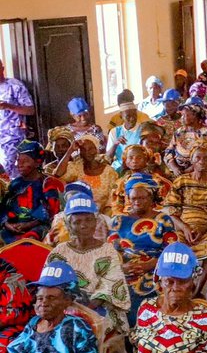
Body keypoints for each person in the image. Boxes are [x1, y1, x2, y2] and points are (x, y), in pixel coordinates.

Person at [48, 192, 131, 338]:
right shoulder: (59, 251)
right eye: (77, 222)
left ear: (96, 222)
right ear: (68, 225)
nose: (84, 226)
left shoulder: (107, 251)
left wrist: (83, 310)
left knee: (79, 330)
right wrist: (66, 307)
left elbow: (111, 285)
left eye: (88, 220)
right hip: (63, 307)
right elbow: (49, 283)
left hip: (99, 307)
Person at [109, 175, 179, 327]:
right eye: (133, 198)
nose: (137, 202)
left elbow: (171, 250)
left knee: (150, 293)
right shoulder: (118, 221)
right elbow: (109, 250)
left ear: (151, 197)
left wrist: (152, 264)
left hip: (155, 269)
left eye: (142, 198)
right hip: (123, 270)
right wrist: (121, 267)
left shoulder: (163, 220)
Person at [163, 141, 207, 277]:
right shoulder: (181, 181)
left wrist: (203, 228)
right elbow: (171, 210)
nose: (202, 161)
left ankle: (197, 291)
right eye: (198, 158)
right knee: (175, 247)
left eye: (206, 158)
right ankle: (183, 282)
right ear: (191, 160)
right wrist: (185, 228)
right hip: (183, 225)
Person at [1, 140, 64, 244]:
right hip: (14, 227)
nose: (19, 164)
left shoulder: (47, 183)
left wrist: (29, 225)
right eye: (18, 160)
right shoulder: (15, 184)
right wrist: (7, 224)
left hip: (38, 226)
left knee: (31, 240)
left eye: (25, 161)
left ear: (37, 162)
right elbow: (4, 208)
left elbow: (52, 212)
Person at [0, 58, 35, 176]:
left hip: (12, 139)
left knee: (9, 174)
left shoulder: (14, 86)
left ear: (3, 69)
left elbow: (30, 110)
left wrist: (8, 106)